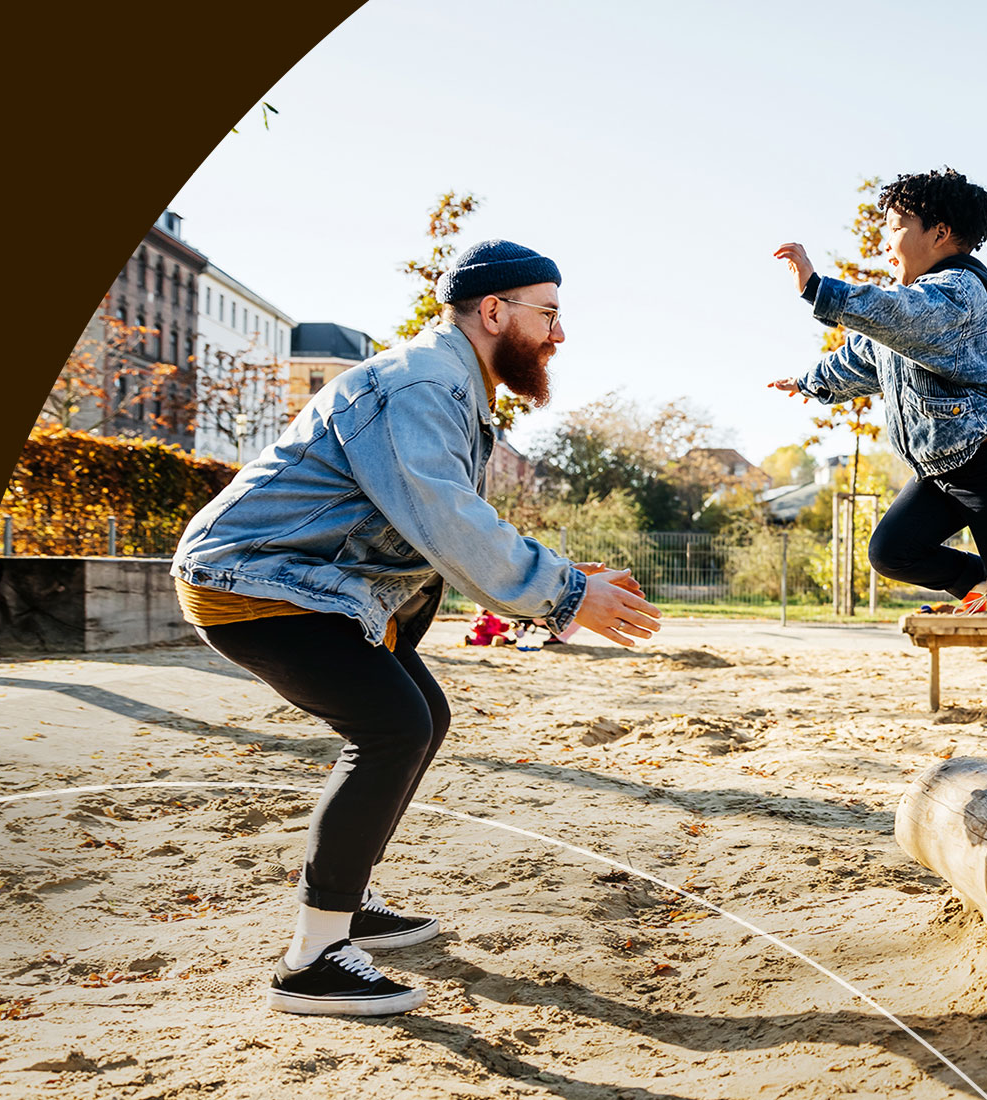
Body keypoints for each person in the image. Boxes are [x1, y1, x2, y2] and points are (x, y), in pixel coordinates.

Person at [172, 239, 662, 1016]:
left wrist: (562, 578)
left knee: (421, 716)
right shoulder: (424, 383)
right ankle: (311, 961)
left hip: (312, 584)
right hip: (254, 581)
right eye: (548, 315)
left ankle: (346, 900)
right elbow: (447, 518)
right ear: (493, 311)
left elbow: (436, 528)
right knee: (392, 727)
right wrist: (566, 594)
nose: (558, 334)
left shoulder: (450, 384)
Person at [765, 167, 987, 758]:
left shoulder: (958, 292)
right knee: (891, 550)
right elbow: (864, 356)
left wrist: (819, 288)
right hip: (942, 468)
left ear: (938, 233)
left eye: (896, 227)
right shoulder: (912, 311)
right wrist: (810, 382)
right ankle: (982, 587)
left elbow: (897, 315)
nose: (886, 240)